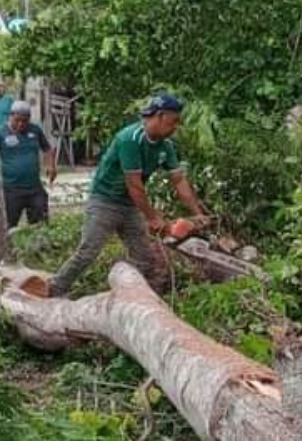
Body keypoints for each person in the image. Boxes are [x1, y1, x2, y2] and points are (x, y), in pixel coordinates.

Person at [47, 93, 206, 297]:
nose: (175, 127)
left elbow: (179, 181)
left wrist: (198, 213)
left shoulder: (166, 147)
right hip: (105, 201)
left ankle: (141, 298)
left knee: (145, 258)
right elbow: (134, 184)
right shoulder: (130, 139)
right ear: (159, 116)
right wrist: (152, 217)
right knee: (88, 251)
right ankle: (55, 289)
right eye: (173, 121)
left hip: (130, 205)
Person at [0, 100, 57, 228]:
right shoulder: (0, 133)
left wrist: (51, 165)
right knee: (9, 225)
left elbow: (47, 148)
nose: (20, 124)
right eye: (17, 120)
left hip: (34, 187)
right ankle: (9, 247)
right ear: (11, 116)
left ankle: (39, 246)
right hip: (11, 189)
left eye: (24, 121)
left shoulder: (35, 130)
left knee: (41, 224)